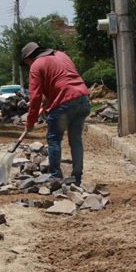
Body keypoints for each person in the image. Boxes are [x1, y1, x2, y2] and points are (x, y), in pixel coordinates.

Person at [20, 42, 90, 185]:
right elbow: (64, 79)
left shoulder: (36, 65)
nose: (28, 66)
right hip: (83, 99)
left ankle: (56, 178)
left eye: (26, 63)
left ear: (28, 58)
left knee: (54, 140)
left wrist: (30, 122)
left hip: (64, 104)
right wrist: (49, 98)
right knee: (75, 140)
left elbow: (35, 97)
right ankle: (77, 177)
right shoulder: (61, 55)